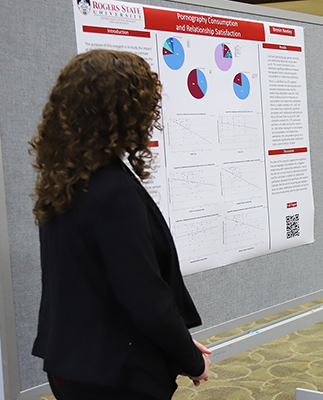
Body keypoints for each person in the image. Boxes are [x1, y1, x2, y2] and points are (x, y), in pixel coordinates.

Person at [30, 50, 211, 399]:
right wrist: (190, 359)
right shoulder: (112, 191)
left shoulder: (66, 180)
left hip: (74, 364)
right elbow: (145, 296)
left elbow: (96, 281)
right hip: (115, 373)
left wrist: (180, 345)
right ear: (125, 113)